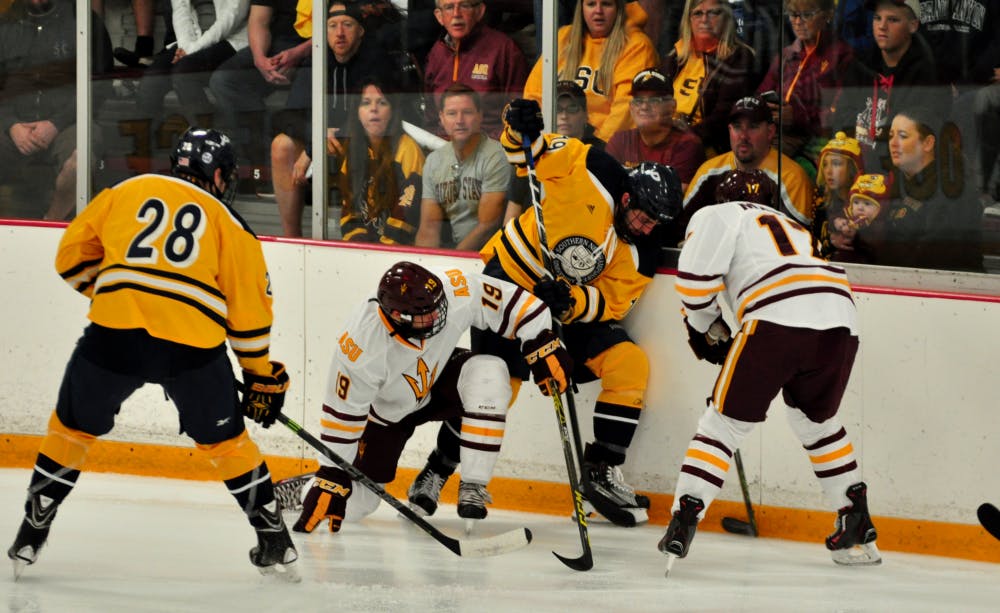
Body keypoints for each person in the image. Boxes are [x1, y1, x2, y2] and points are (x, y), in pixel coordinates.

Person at [6, 128, 299, 581]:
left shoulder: (125, 190)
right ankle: (274, 538)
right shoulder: (230, 222)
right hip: (191, 348)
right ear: (219, 174)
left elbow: (69, 256)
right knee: (227, 443)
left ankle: (32, 529)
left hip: (114, 334)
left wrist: (115, 294)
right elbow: (249, 314)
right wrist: (259, 375)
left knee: (72, 429)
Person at [409, 98, 684, 527]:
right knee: (498, 388)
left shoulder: (644, 250)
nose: (648, 229)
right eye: (644, 217)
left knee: (629, 363)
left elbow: (612, 300)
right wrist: (522, 126)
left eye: (657, 225)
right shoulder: (593, 167)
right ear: (628, 195)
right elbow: (527, 152)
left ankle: (602, 469)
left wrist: (571, 301)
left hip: (565, 311)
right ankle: (435, 471)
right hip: (509, 283)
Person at [660, 190, 881, 571]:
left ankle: (684, 519)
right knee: (818, 423)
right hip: (841, 319)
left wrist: (705, 326)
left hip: (775, 319)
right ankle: (855, 518)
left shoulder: (720, 211)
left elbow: (695, 283)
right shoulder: (793, 224)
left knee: (722, 426)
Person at [291, 261, 571, 531]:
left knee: (491, 373)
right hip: (386, 415)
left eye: (438, 308)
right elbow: (342, 418)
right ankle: (302, 489)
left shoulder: (452, 289)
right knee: (359, 505)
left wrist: (542, 341)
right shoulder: (361, 347)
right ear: (397, 318)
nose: (438, 316)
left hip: (437, 381)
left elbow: (517, 304)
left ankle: (473, 486)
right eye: (426, 316)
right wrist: (331, 475)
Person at [270, 1, 386, 237]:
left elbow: (373, 116)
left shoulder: (375, 59)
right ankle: (292, 239)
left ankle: (369, 234)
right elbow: (291, 114)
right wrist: (318, 138)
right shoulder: (318, 58)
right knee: (281, 145)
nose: (339, 33)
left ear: (361, 30)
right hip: (325, 140)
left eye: (347, 25)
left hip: (364, 140)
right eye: (332, 26)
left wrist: (314, 148)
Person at [0, 0, 113, 221]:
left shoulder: (84, 20)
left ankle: (52, 224)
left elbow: (101, 84)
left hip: (70, 123)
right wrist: (10, 125)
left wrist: (56, 123)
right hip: (13, 127)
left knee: (79, 159)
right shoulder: (6, 24)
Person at [677, 95, 815, 245]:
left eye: (753, 127)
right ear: (729, 130)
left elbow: (800, 244)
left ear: (770, 132)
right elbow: (682, 229)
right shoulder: (709, 171)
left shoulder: (791, 177)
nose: (743, 136)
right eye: (737, 127)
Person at [859, 107, 983, 271]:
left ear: (928, 143)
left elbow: (932, 261)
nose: (893, 143)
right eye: (891, 136)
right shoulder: (896, 183)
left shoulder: (951, 191)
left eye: (903, 136)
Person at [208, 0, 311, 192]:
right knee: (224, 80)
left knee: (296, 108)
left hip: (318, 48)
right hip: (277, 45)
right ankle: (258, 166)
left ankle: (297, 181)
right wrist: (260, 60)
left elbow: (337, 25)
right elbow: (258, 21)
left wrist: (299, 53)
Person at [522, 0, 659, 143]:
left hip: (602, 149)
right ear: (581, 8)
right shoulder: (563, 37)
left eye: (606, 4)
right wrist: (538, 141)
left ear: (618, 8)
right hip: (552, 141)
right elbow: (534, 95)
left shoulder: (637, 46)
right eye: (591, 4)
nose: (598, 11)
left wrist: (595, 149)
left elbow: (626, 111)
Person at [832, 0, 941, 171]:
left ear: (913, 26)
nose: (882, 26)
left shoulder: (925, 74)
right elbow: (842, 116)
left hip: (897, 169)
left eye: (893, 20)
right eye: (877, 18)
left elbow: (911, 138)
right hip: (856, 160)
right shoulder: (860, 63)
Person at [755, 0, 854, 174]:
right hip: (775, 129)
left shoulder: (841, 55)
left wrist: (796, 117)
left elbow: (839, 112)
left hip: (811, 136)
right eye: (793, 14)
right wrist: (764, 108)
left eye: (807, 15)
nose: (798, 22)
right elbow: (761, 92)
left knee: (759, 164)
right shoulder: (787, 54)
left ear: (828, 15)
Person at [415, 83, 510, 250]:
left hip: (490, 258)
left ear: (480, 116)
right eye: (452, 113)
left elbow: (487, 228)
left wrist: (453, 261)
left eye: (467, 112)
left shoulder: (496, 156)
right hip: (455, 254)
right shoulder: (434, 161)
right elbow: (429, 228)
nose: (459, 120)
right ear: (442, 118)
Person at [133, 0, 250, 130]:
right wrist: (185, 47)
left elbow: (232, 16)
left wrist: (192, 50)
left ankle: (204, 136)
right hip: (193, 40)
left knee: (184, 73)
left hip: (230, 38)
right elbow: (180, 10)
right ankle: (145, 144)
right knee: (152, 79)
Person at [336, 75, 426, 243]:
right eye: (366, 103)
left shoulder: (407, 149)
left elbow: (409, 213)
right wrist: (360, 245)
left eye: (382, 102)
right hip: (365, 250)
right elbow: (349, 209)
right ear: (357, 111)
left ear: (392, 111)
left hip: (400, 251)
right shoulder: (353, 150)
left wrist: (380, 250)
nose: (374, 109)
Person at [503, 80, 605, 224]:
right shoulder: (532, 151)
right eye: (558, 109)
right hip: (535, 235)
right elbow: (512, 213)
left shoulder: (600, 153)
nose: (564, 116)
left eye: (572, 108)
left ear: (585, 115)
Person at [661, 0, 756, 155]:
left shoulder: (739, 57)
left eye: (713, 13)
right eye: (698, 13)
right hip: (665, 137)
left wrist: (683, 137)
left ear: (726, 18)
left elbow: (724, 117)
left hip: (704, 145)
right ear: (688, 19)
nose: (704, 20)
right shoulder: (676, 55)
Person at [423, 0, 529, 138]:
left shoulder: (504, 49)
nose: (456, 14)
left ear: (479, 11)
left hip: (492, 150)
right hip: (445, 150)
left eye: (464, 6)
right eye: (449, 7)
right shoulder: (436, 54)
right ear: (439, 16)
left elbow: (520, 116)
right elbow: (431, 120)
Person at [605, 68, 705, 188]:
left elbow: (674, 201)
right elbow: (607, 190)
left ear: (672, 107)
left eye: (654, 100)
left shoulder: (687, 146)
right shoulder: (620, 141)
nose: (644, 107)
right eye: (638, 100)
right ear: (631, 107)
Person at [812, 131, 865, 258]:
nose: (829, 171)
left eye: (836, 164)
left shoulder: (866, 203)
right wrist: (830, 242)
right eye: (825, 165)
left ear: (853, 168)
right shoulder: (820, 201)